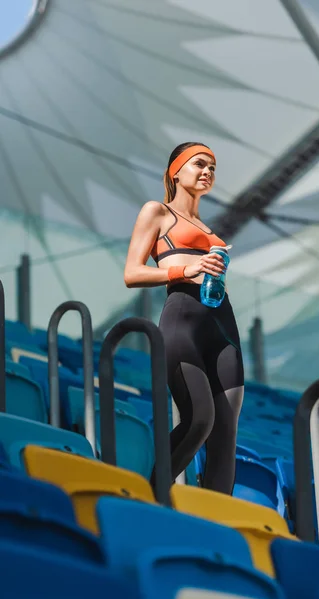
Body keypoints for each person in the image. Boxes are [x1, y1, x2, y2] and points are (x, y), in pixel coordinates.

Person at [124, 142, 244, 495]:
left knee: (225, 433)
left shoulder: (209, 228)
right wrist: (186, 268)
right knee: (199, 419)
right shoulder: (157, 212)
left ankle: (216, 522)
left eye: (213, 167)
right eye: (199, 164)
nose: (208, 171)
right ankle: (149, 497)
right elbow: (132, 272)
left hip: (224, 327)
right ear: (176, 171)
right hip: (183, 323)